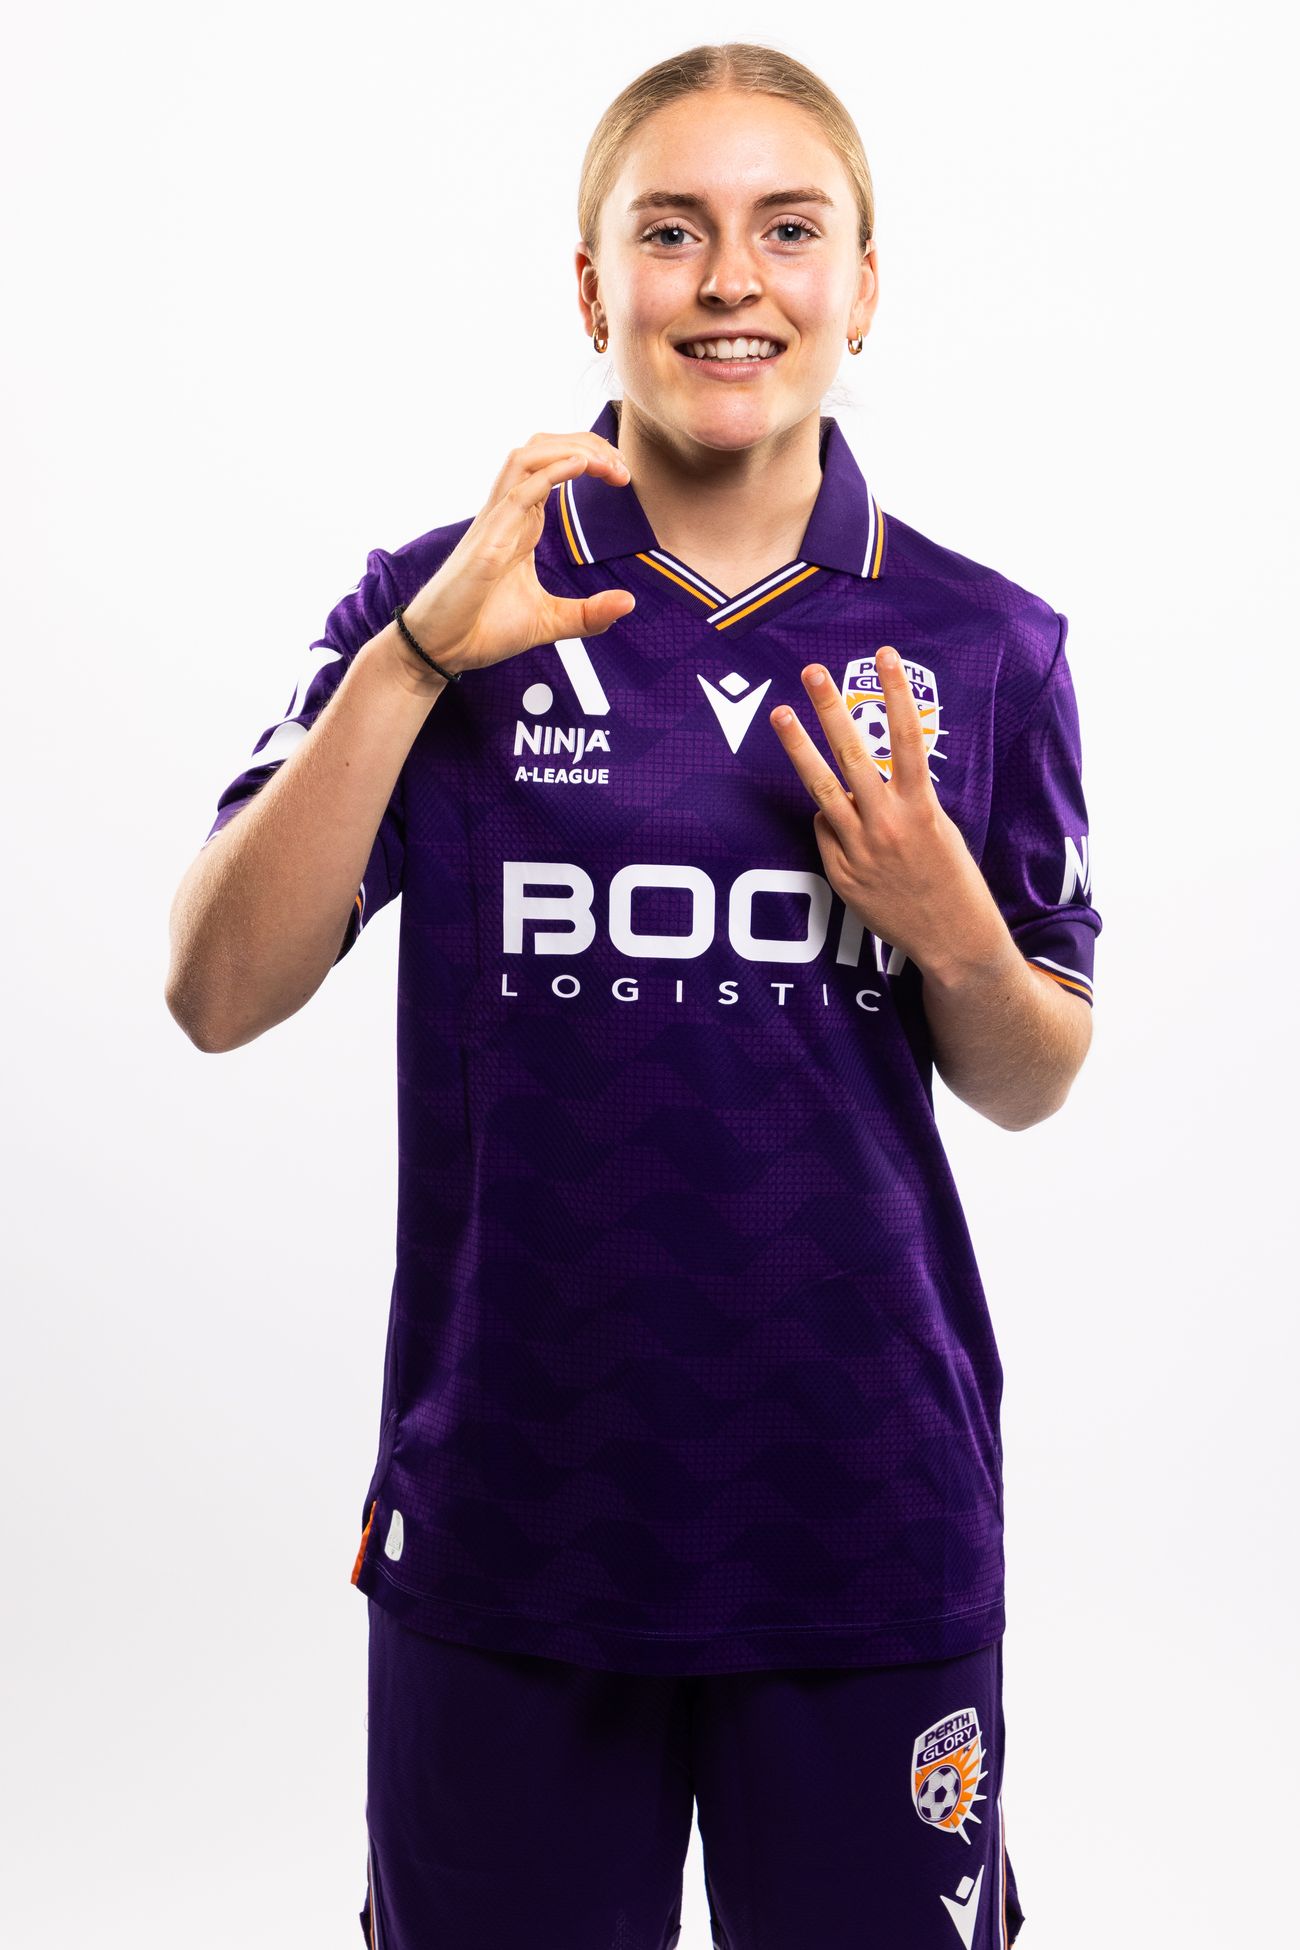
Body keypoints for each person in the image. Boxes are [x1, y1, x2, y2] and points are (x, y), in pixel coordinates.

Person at [166, 40, 1100, 1950]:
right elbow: (214, 988)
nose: (731, 279)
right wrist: (416, 660)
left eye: (789, 230)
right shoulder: (449, 598)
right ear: (593, 286)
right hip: (517, 1525)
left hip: (864, 1524)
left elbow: (1031, 1073)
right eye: (671, 232)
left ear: (864, 285)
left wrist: (949, 926)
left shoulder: (982, 640)